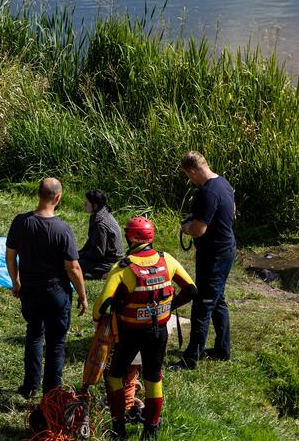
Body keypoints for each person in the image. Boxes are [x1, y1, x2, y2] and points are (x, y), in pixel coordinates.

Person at [93, 217, 196, 439]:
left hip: (130, 333)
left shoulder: (123, 267)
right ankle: (151, 429)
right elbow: (191, 289)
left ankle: (118, 427)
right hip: (158, 331)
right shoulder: (166, 259)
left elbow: (100, 308)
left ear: (131, 237)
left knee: (114, 376)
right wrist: (169, 306)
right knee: (153, 377)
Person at [6, 178, 89, 399]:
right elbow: (73, 268)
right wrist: (82, 295)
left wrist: (16, 281)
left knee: (34, 336)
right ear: (58, 197)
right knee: (55, 344)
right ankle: (51, 395)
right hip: (56, 294)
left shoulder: (21, 222)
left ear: (38, 194)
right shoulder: (63, 230)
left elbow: (10, 255)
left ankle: (30, 386)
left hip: (30, 291)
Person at [175, 151, 235, 369]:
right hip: (226, 248)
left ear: (192, 171)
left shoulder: (207, 193)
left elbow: (199, 230)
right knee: (218, 299)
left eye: (188, 176)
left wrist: (186, 227)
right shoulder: (223, 183)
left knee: (203, 305)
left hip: (214, 254)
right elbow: (230, 212)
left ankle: (191, 358)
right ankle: (222, 349)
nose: (190, 180)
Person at [78, 189, 124, 279]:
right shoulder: (101, 213)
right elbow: (91, 242)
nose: (84, 204)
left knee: (71, 265)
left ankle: (103, 275)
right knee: (72, 260)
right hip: (106, 258)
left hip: (109, 262)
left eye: (87, 203)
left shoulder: (100, 223)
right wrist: (78, 253)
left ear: (95, 205)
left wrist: (79, 257)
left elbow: (98, 254)